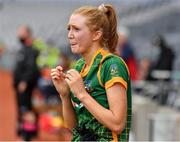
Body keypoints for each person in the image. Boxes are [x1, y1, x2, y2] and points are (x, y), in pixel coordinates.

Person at [51, 4, 132, 141]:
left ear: (96, 34)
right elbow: (74, 127)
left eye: (76, 29)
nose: (70, 35)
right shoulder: (79, 67)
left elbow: (117, 124)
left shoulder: (112, 65)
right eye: (69, 29)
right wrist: (64, 95)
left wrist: (81, 94)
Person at [13, 25, 40, 141]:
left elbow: (31, 68)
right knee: (23, 109)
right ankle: (25, 132)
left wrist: (24, 81)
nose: (18, 34)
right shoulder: (23, 49)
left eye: (21, 31)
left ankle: (27, 135)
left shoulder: (31, 50)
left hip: (25, 86)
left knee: (26, 110)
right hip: (20, 86)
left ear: (27, 33)